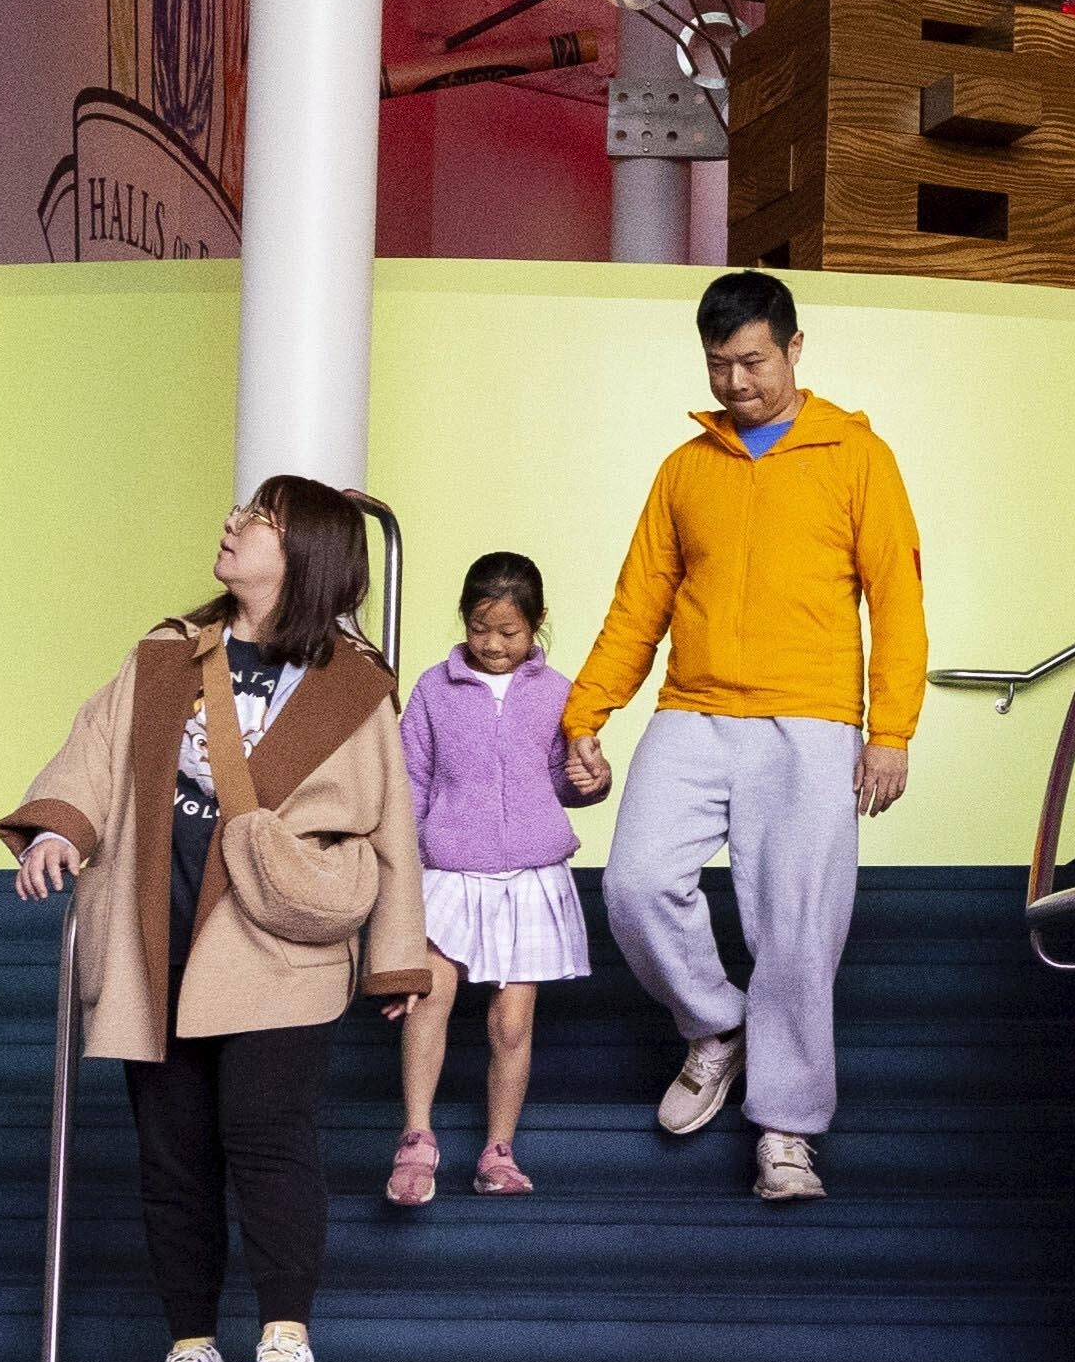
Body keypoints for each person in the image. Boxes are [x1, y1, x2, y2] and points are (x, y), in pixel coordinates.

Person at [7, 476, 429, 1362]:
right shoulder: (165, 656)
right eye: (242, 511)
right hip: (160, 930)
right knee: (173, 1150)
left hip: (280, 936)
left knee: (269, 1137)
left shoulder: (354, 685)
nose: (234, 524)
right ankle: (191, 1347)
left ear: (308, 554)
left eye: (262, 520)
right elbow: (94, 753)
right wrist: (57, 833)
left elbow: (393, 824)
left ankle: (286, 1339)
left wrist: (399, 954)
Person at [559, 270, 921, 1206]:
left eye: (752, 362)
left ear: (796, 350)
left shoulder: (857, 456)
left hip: (813, 717)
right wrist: (584, 714)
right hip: (694, 708)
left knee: (798, 931)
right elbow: (637, 603)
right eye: (718, 365)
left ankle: (787, 1134)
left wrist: (892, 729)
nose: (735, 383)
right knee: (635, 882)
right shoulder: (686, 469)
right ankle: (717, 1025)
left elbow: (898, 598)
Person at [392, 548, 581, 1201]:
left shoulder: (559, 693)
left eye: (509, 633)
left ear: (537, 625)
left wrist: (594, 777)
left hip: (529, 874)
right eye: (480, 629)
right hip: (446, 868)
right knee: (429, 996)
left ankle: (498, 1152)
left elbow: (565, 780)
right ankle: (416, 1138)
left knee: (511, 1024)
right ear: (464, 619)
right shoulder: (432, 689)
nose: (493, 644)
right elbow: (408, 781)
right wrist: (400, 867)